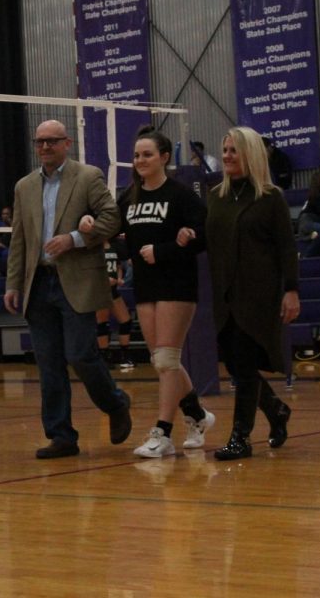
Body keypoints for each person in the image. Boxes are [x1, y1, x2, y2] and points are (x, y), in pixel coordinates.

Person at [4, 119, 132, 459]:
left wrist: (74, 239)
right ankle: (61, 436)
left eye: (52, 141)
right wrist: (13, 282)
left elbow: (112, 218)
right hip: (39, 283)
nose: (45, 147)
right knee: (48, 364)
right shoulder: (24, 186)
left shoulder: (88, 177)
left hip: (76, 280)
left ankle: (116, 404)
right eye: (40, 141)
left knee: (80, 355)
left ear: (67, 143)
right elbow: (19, 239)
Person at [82, 127, 213, 459]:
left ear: (164, 157)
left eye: (147, 154)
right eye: (137, 155)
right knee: (161, 362)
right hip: (146, 285)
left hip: (177, 283)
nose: (140, 160)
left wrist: (169, 248)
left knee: (168, 359)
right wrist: (92, 228)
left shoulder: (181, 195)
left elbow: (203, 236)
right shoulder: (129, 198)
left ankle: (162, 433)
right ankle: (197, 415)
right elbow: (125, 244)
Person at [206, 126, 298, 460]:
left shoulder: (270, 197)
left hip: (258, 293)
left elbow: (287, 248)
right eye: (226, 150)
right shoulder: (215, 196)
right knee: (236, 364)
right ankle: (275, 410)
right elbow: (209, 239)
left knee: (244, 363)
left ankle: (240, 438)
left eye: (235, 150)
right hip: (224, 294)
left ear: (252, 155)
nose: (228, 156)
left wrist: (291, 290)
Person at [95, 236, 134, 369]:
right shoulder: (94, 245)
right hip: (100, 291)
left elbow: (117, 266)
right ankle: (104, 356)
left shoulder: (114, 244)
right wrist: (103, 280)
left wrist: (119, 278)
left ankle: (125, 356)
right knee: (102, 323)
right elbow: (90, 269)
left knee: (126, 321)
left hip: (113, 290)